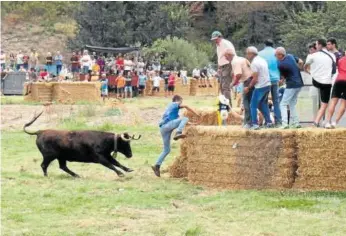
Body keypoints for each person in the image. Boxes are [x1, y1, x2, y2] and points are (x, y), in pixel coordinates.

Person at [151, 95, 199, 177]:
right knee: (185, 118)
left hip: (163, 128)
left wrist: (193, 124)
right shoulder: (174, 104)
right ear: (177, 100)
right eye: (181, 101)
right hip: (168, 125)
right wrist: (196, 114)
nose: (181, 103)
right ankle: (178, 132)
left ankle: (157, 165)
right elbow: (186, 107)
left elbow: (180, 121)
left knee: (167, 150)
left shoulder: (171, 110)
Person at [304, 39, 336, 127]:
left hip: (316, 81)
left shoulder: (312, 55)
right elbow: (333, 70)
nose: (315, 46)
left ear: (320, 45)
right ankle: (319, 121)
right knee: (324, 103)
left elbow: (305, 67)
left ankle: (316, 121)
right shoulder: (332, 55)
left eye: (316, 44)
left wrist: (310, 72)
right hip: (327, 82)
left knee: (317, 100)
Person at [275, 47, 304, 129]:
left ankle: (284, 124)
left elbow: (283, 77)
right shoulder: (290, 56)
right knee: (292, 104)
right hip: (299, 83)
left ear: (280, 55)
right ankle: (296, 123)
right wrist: (298, 69)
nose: (275, 56)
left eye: (276, 55)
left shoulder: (280, 64)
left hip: (291, 85)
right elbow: (301, 61)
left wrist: (281, 81)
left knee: (283, 104)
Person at [245, 46, 273, 130]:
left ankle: (255, 124)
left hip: (260, 86)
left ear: (251, 54)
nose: (247, 55)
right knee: (263, 104)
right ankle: (269, 122)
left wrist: (248, 87)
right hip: (267, 84)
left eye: (247, 54)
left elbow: (255, 78)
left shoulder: (254, 63)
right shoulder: (262, 60)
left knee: (252, 105)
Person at [224, 49, 253, 128]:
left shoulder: (235, 62)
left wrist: (233, 83)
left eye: (226, 56)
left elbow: (239, 74)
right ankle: (253, 121)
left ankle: (248, 123)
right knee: (251, 102)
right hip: (252, 80)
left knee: (246, 102)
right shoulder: (242, 59)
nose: (225, 58)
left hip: (247, 81)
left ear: (229, 55)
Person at [258, 39, 282, 126]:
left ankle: (267, 121)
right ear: (273, 45)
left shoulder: (260, 54)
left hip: (264, 80)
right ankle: (278, 121)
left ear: (264, 45)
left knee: (263, 101)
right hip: (275, 79)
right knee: (276, 101)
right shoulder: (277, 53)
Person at [211, 31, 236, 100]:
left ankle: (228, 105)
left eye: (216, 39)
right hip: (222, 67)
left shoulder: (225, 43)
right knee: (222, 86)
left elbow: (233, 54)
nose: (215, 41)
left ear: (220, 37)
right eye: (214, 40)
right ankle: (224, 103)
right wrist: (219, 69)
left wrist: (233, 67)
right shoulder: (218, 45)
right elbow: (219, 57)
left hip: (228, 65)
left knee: (225, 86)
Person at [324, 55, 346, 128]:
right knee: (343, 103)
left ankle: (327, 122)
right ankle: (335, 122)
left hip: (339, 80)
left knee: (333, 101)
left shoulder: (340, 60)